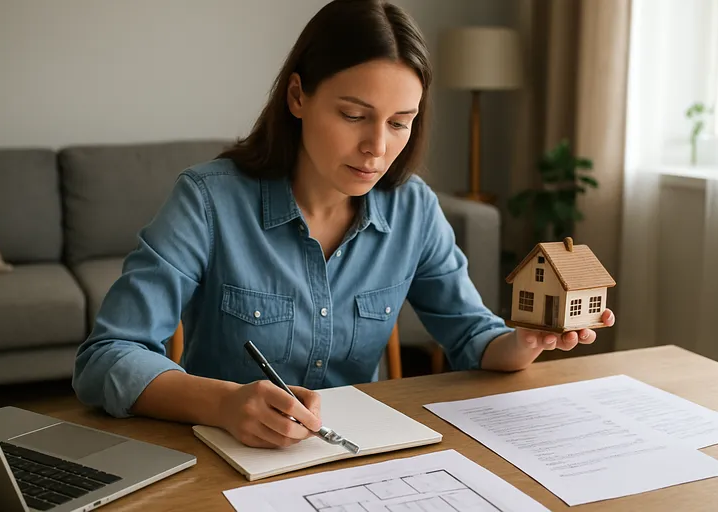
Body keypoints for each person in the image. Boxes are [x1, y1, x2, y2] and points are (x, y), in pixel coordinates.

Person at [72, 0, 615, 450]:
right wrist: (222, 403)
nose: (377, 148)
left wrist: (526, 341)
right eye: (354, 115)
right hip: (227, 458)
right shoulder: (208, 200)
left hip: (359, 456)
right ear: (298, 97)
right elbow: (106, 357)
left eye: (400, 123)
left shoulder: (414, 209)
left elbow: (473, 335)